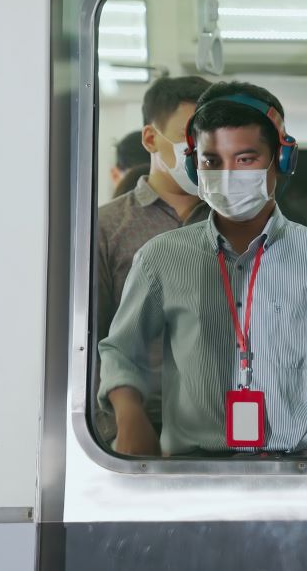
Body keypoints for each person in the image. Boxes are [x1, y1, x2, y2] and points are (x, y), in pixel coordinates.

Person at [98, 81, 307, 457]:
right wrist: (130, 416)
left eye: (246, 158)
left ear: (281, 160)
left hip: (303, 471)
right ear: (194, 165)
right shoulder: (161, 258)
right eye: (211, 161)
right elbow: (122, 352)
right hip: (191, 471)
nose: (227, 173)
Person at [95, 76, 213, 440]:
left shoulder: (234, 223)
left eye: (208, 137)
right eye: (187, 136)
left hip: (218, 427)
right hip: (133, 429)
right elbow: (92, 337)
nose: (199, 150)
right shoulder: (106, 227)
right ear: (151, 139)